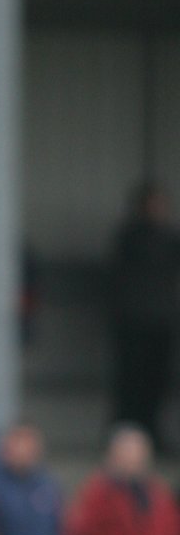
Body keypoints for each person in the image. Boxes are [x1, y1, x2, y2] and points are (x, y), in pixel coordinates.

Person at [108, 181, 180, 451]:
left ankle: (152, 436)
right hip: (134, 325)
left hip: (161, 326)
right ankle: (125, 440)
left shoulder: (170, 237)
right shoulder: (130, 238)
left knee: (157, 384)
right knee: (131, 385)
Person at [67, 424, 180, 535]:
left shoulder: (158, 492)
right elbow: (85, 533)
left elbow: (172, 532)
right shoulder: (99, 492)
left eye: (138, 453)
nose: (133, 459)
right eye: (127, 452)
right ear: (113, 455)